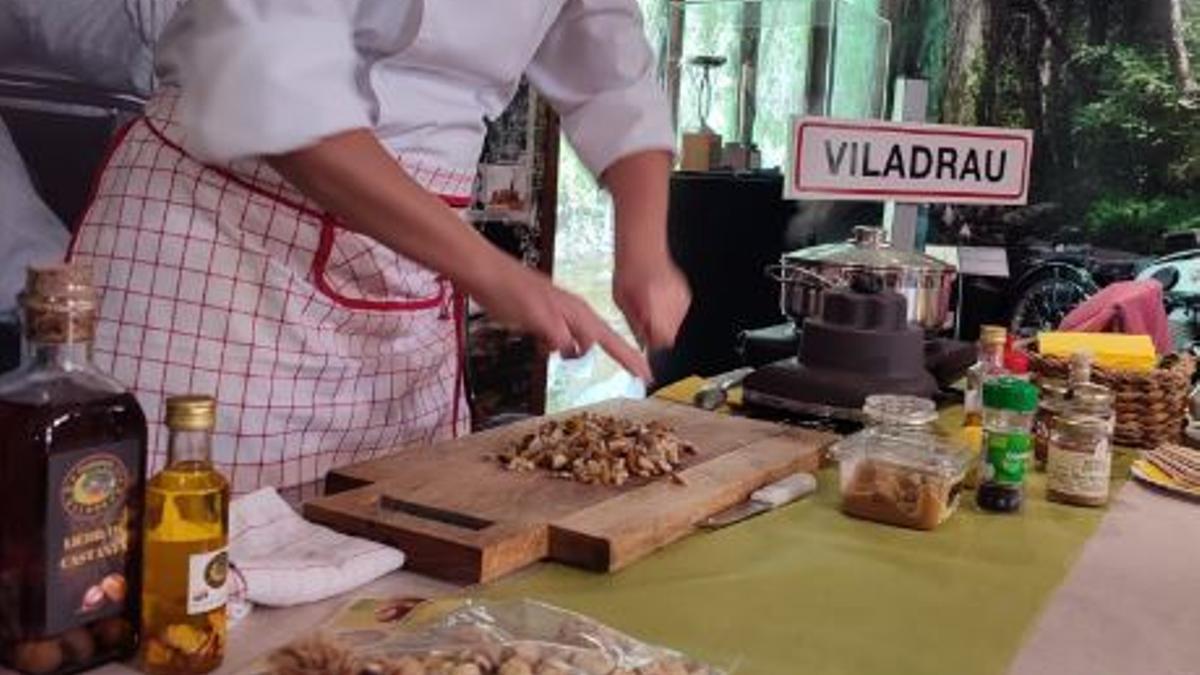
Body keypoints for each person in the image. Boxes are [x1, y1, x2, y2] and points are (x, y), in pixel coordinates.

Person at [68, 0, 691, 494]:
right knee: (167, 578)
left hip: (412, 278)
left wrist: (644, 251)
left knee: (390, 584)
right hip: (216, 251)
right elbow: (275, 81)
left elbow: (611, 73)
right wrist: (495, 274)